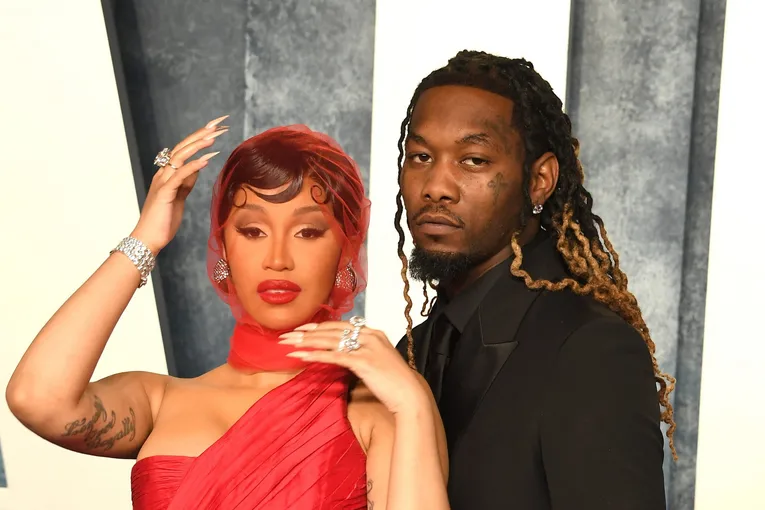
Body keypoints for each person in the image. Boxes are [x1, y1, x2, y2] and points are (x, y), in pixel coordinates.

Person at [6, 121, 449, 509]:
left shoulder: (377, 408)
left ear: (344, 252)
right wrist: (147, 236)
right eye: (252, 231)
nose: (277, 259)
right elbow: (37, 398)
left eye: (308, 232)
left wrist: (411, 403)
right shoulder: (160, 401)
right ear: (224, 249)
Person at [392, 50, 673, 509]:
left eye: (473, 160)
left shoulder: (590, 349)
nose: (435, 187)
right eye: (420, 156)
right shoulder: (410, 351)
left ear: (540, 179)